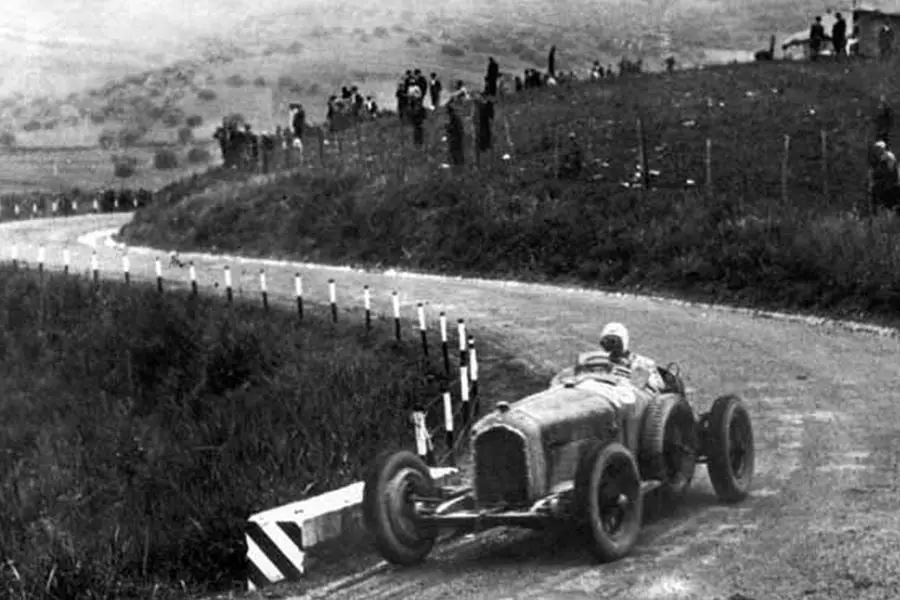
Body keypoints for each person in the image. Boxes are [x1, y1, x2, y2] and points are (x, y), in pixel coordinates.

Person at [598, 322, 665, 393]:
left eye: (613, 341)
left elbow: (659, 387)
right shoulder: (598, 362)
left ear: (623, 341)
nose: (611, 346)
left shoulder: (642, 363)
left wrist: (635, 372)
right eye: (606, 342)